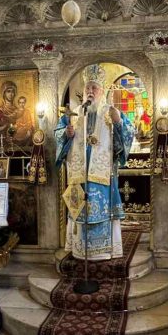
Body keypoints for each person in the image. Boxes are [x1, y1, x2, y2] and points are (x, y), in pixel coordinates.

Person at [56, 65, 134, 260]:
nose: (91, 91)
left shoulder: (111, 111)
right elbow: (57, 136)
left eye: (95, 88)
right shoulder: (73, 114)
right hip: (79, 176)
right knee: (80, 209)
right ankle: (80, 249)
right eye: (88, 88)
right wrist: (66, 134)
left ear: (102, 91)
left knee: (101, 210)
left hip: (103, 176)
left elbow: (125, 139)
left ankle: (104, 250)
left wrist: (119, 123)